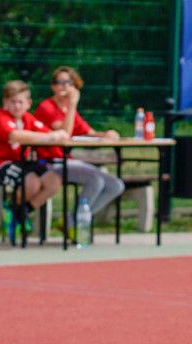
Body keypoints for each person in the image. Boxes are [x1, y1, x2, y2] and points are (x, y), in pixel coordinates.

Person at [34, 66, 125, 228]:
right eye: (61, 82)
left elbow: (89, 132)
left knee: (116, 185)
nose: (65, 87)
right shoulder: (46, 107)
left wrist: (106, 134)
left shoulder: (70, 111)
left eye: (69, 83)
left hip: (68, 161)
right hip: (50, 163)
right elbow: (65, 133)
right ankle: (72, 225)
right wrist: (73, 104)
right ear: (53, 86)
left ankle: (72, 221)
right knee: (95, 180)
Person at [0, 80, 67, 241]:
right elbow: (14, 136)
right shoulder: (1, 118)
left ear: (28, 103)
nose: (17, 106)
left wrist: (59, 134)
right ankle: (13, 211)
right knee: (32, 182)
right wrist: (48, 137)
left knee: (54, 180)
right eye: (13, 102)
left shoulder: (28, 119)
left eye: (21, 102)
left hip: (20, 163)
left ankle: (18, 213)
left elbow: (47, 133)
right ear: (5, 102)